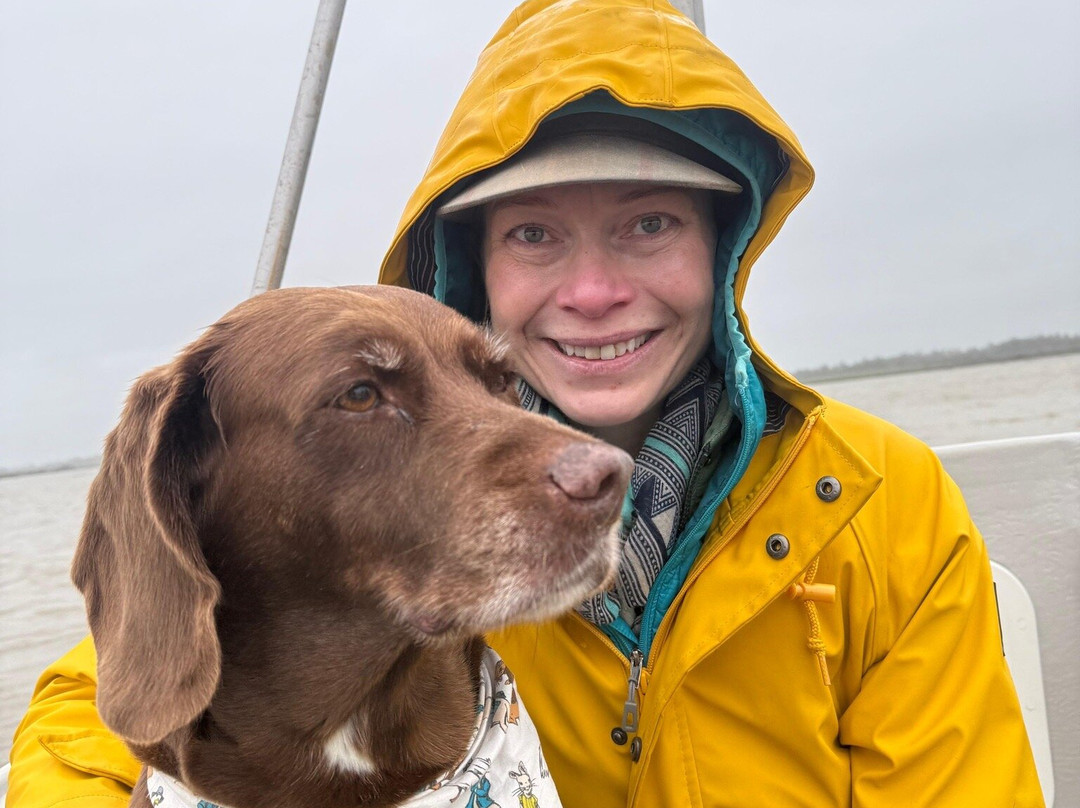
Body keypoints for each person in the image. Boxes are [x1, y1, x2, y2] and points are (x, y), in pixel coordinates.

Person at [8, 0, 1044, 805]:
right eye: (535, 235)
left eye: (648, 224)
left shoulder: (878, 501)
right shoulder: (395, 518)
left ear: (722, 247)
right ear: (475, 267)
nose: (592, 291)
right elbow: (121, 683)